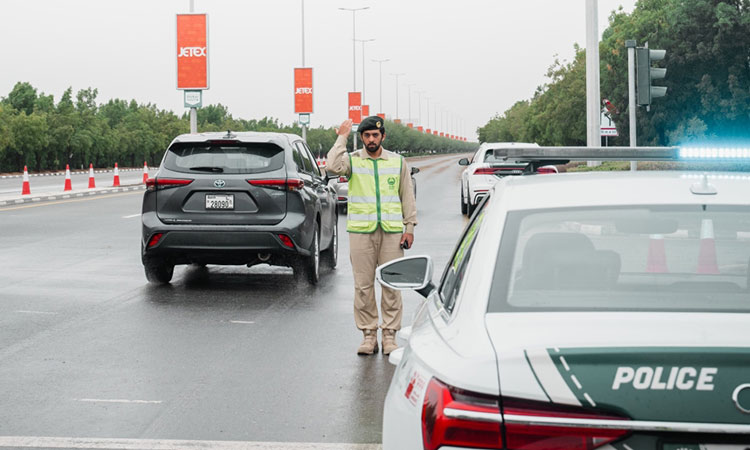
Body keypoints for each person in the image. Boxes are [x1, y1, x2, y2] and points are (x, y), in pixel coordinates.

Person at [326, 116, 417, 355]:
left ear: (383, 136)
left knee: (391, 284)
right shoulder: (353, 161)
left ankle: (389, 335)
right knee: (363, 286)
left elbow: (407, 196)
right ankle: (368, 335)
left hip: (391, 232)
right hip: (360, 233)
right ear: (362, 138)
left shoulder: (397, 162)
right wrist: (342, 137)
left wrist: (409, 227)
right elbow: (331, 166)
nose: (371, 139)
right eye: (366, 135)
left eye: (375, 135)